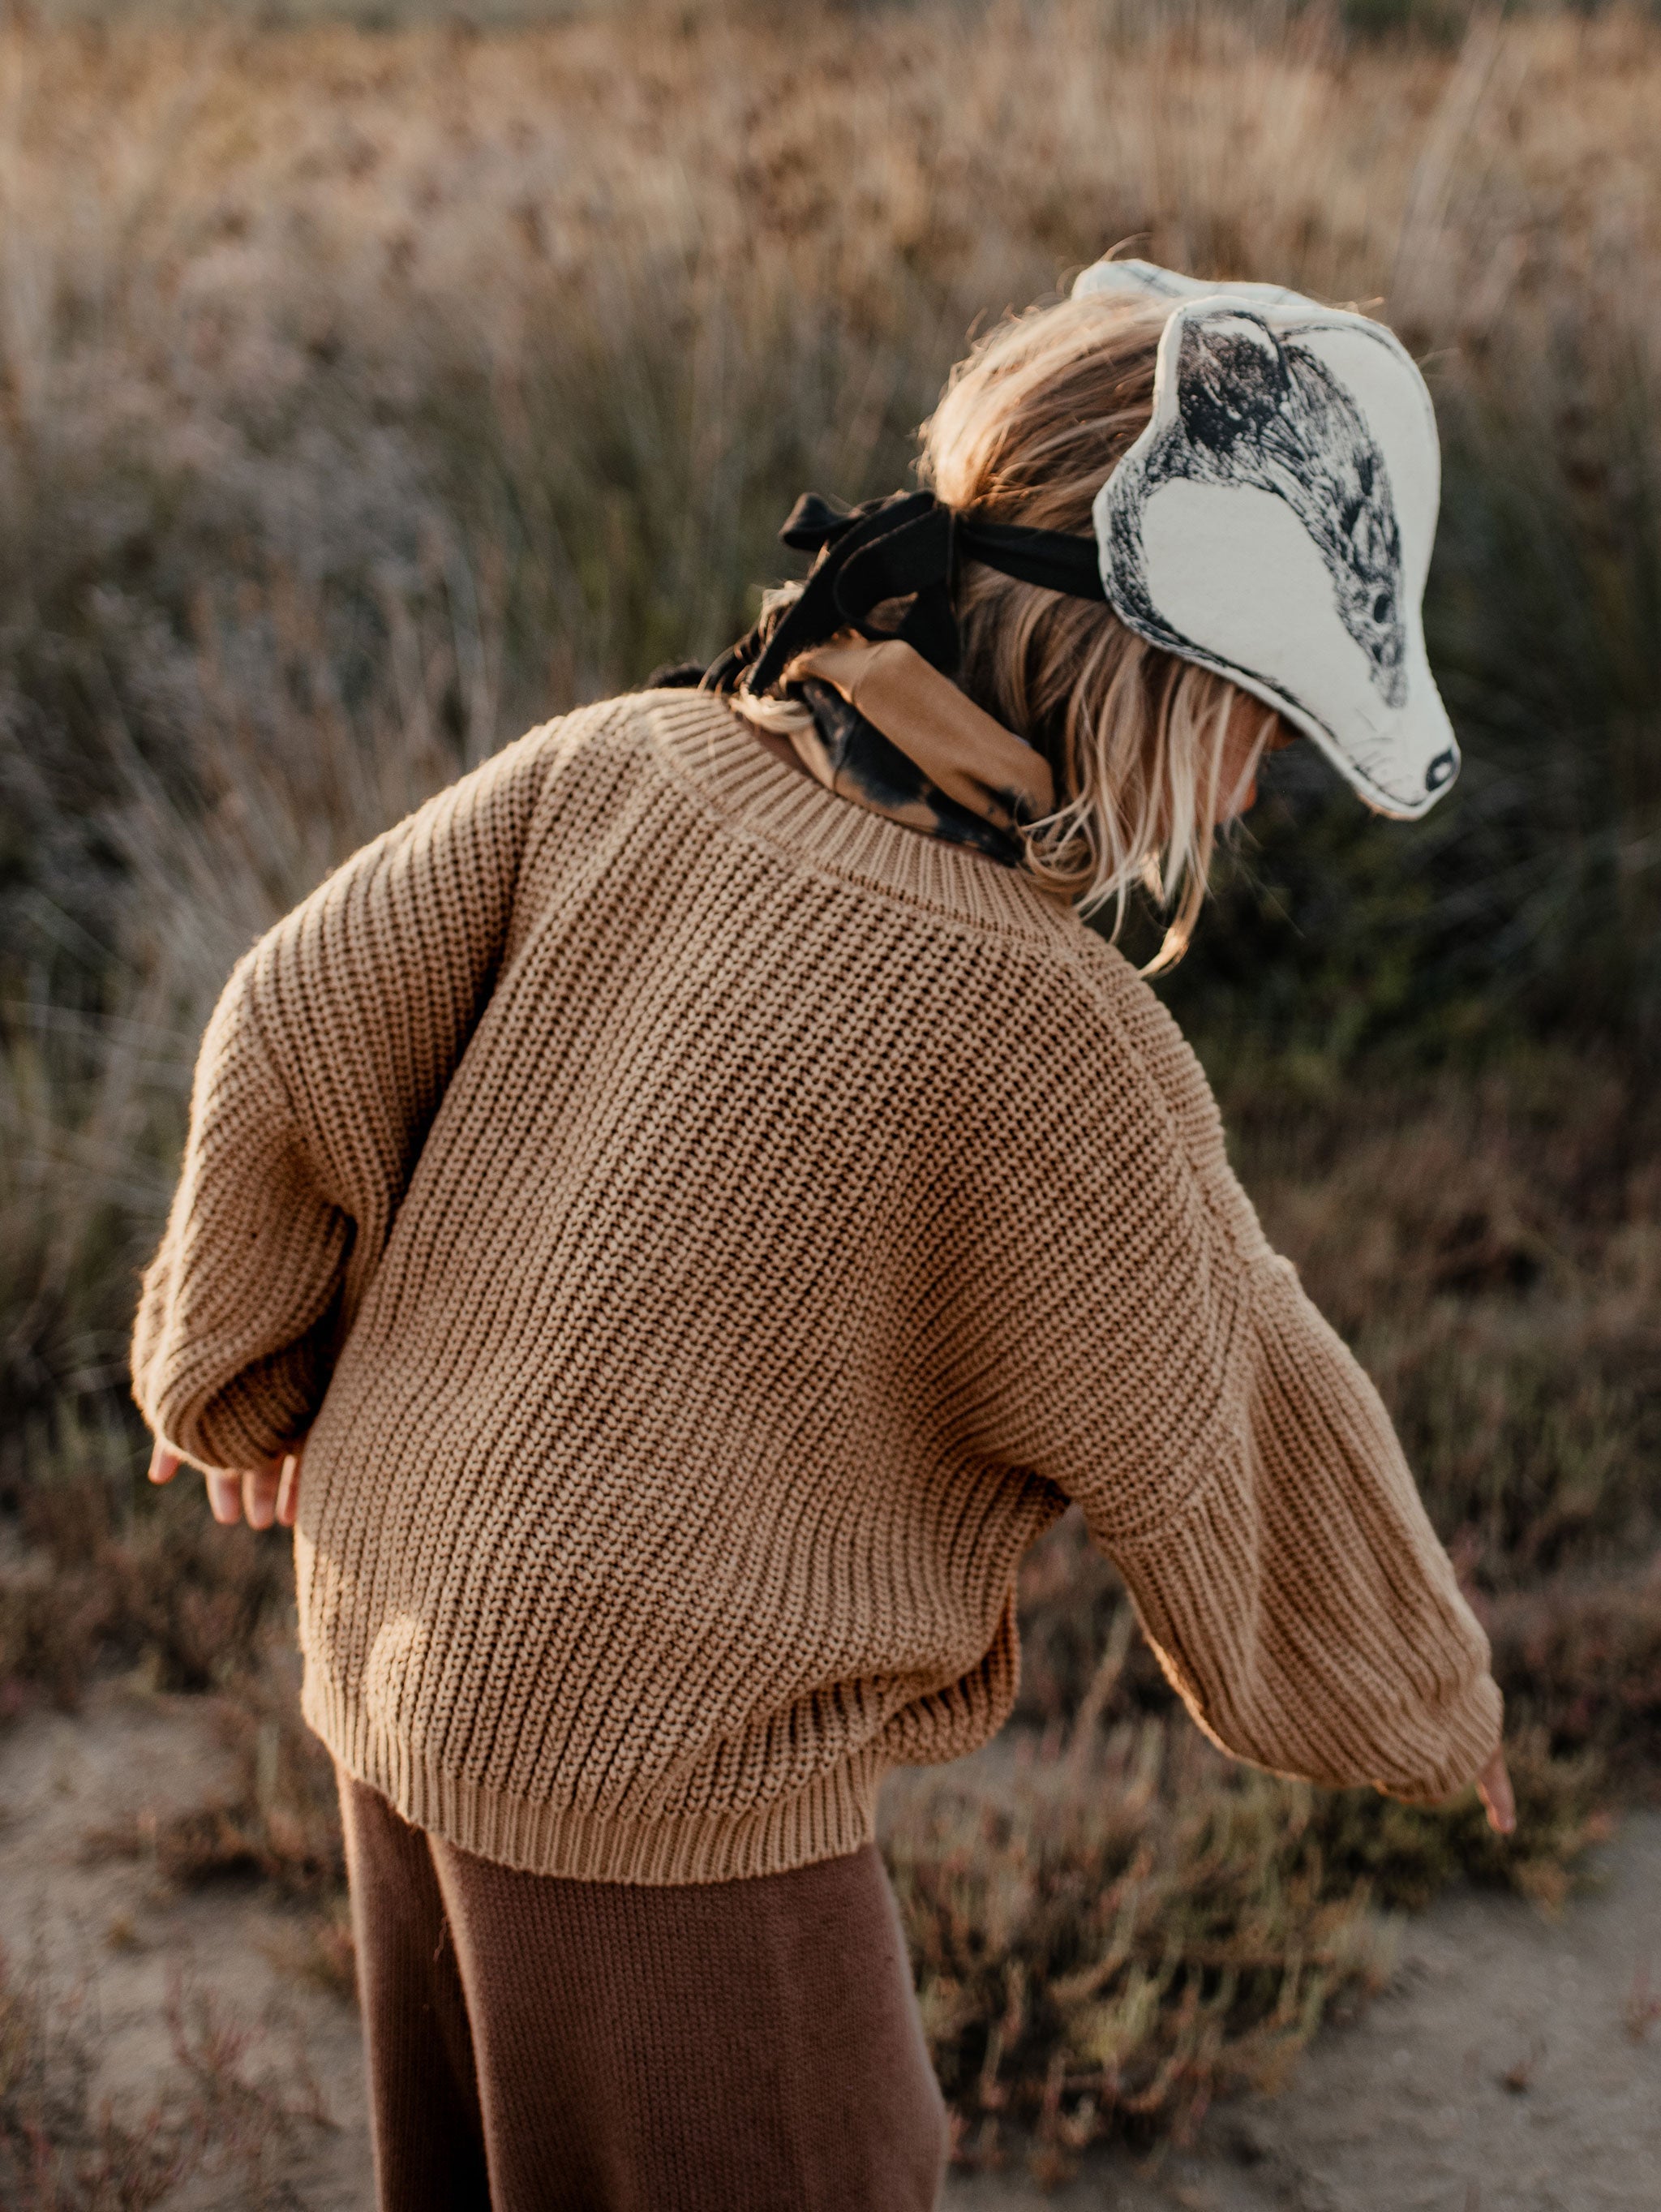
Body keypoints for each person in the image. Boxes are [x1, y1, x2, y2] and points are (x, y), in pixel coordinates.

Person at [135, 260, 1512, 2212]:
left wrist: (238, 1369)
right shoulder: (1058, 1038)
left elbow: (294, 1011)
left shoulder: (627, 758)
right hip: (661, 1755)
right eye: (1273, 732)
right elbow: (1238, 1392)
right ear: (1175, 687)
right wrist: (1424, 1697)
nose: (1256, 785)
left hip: (394, 1631)